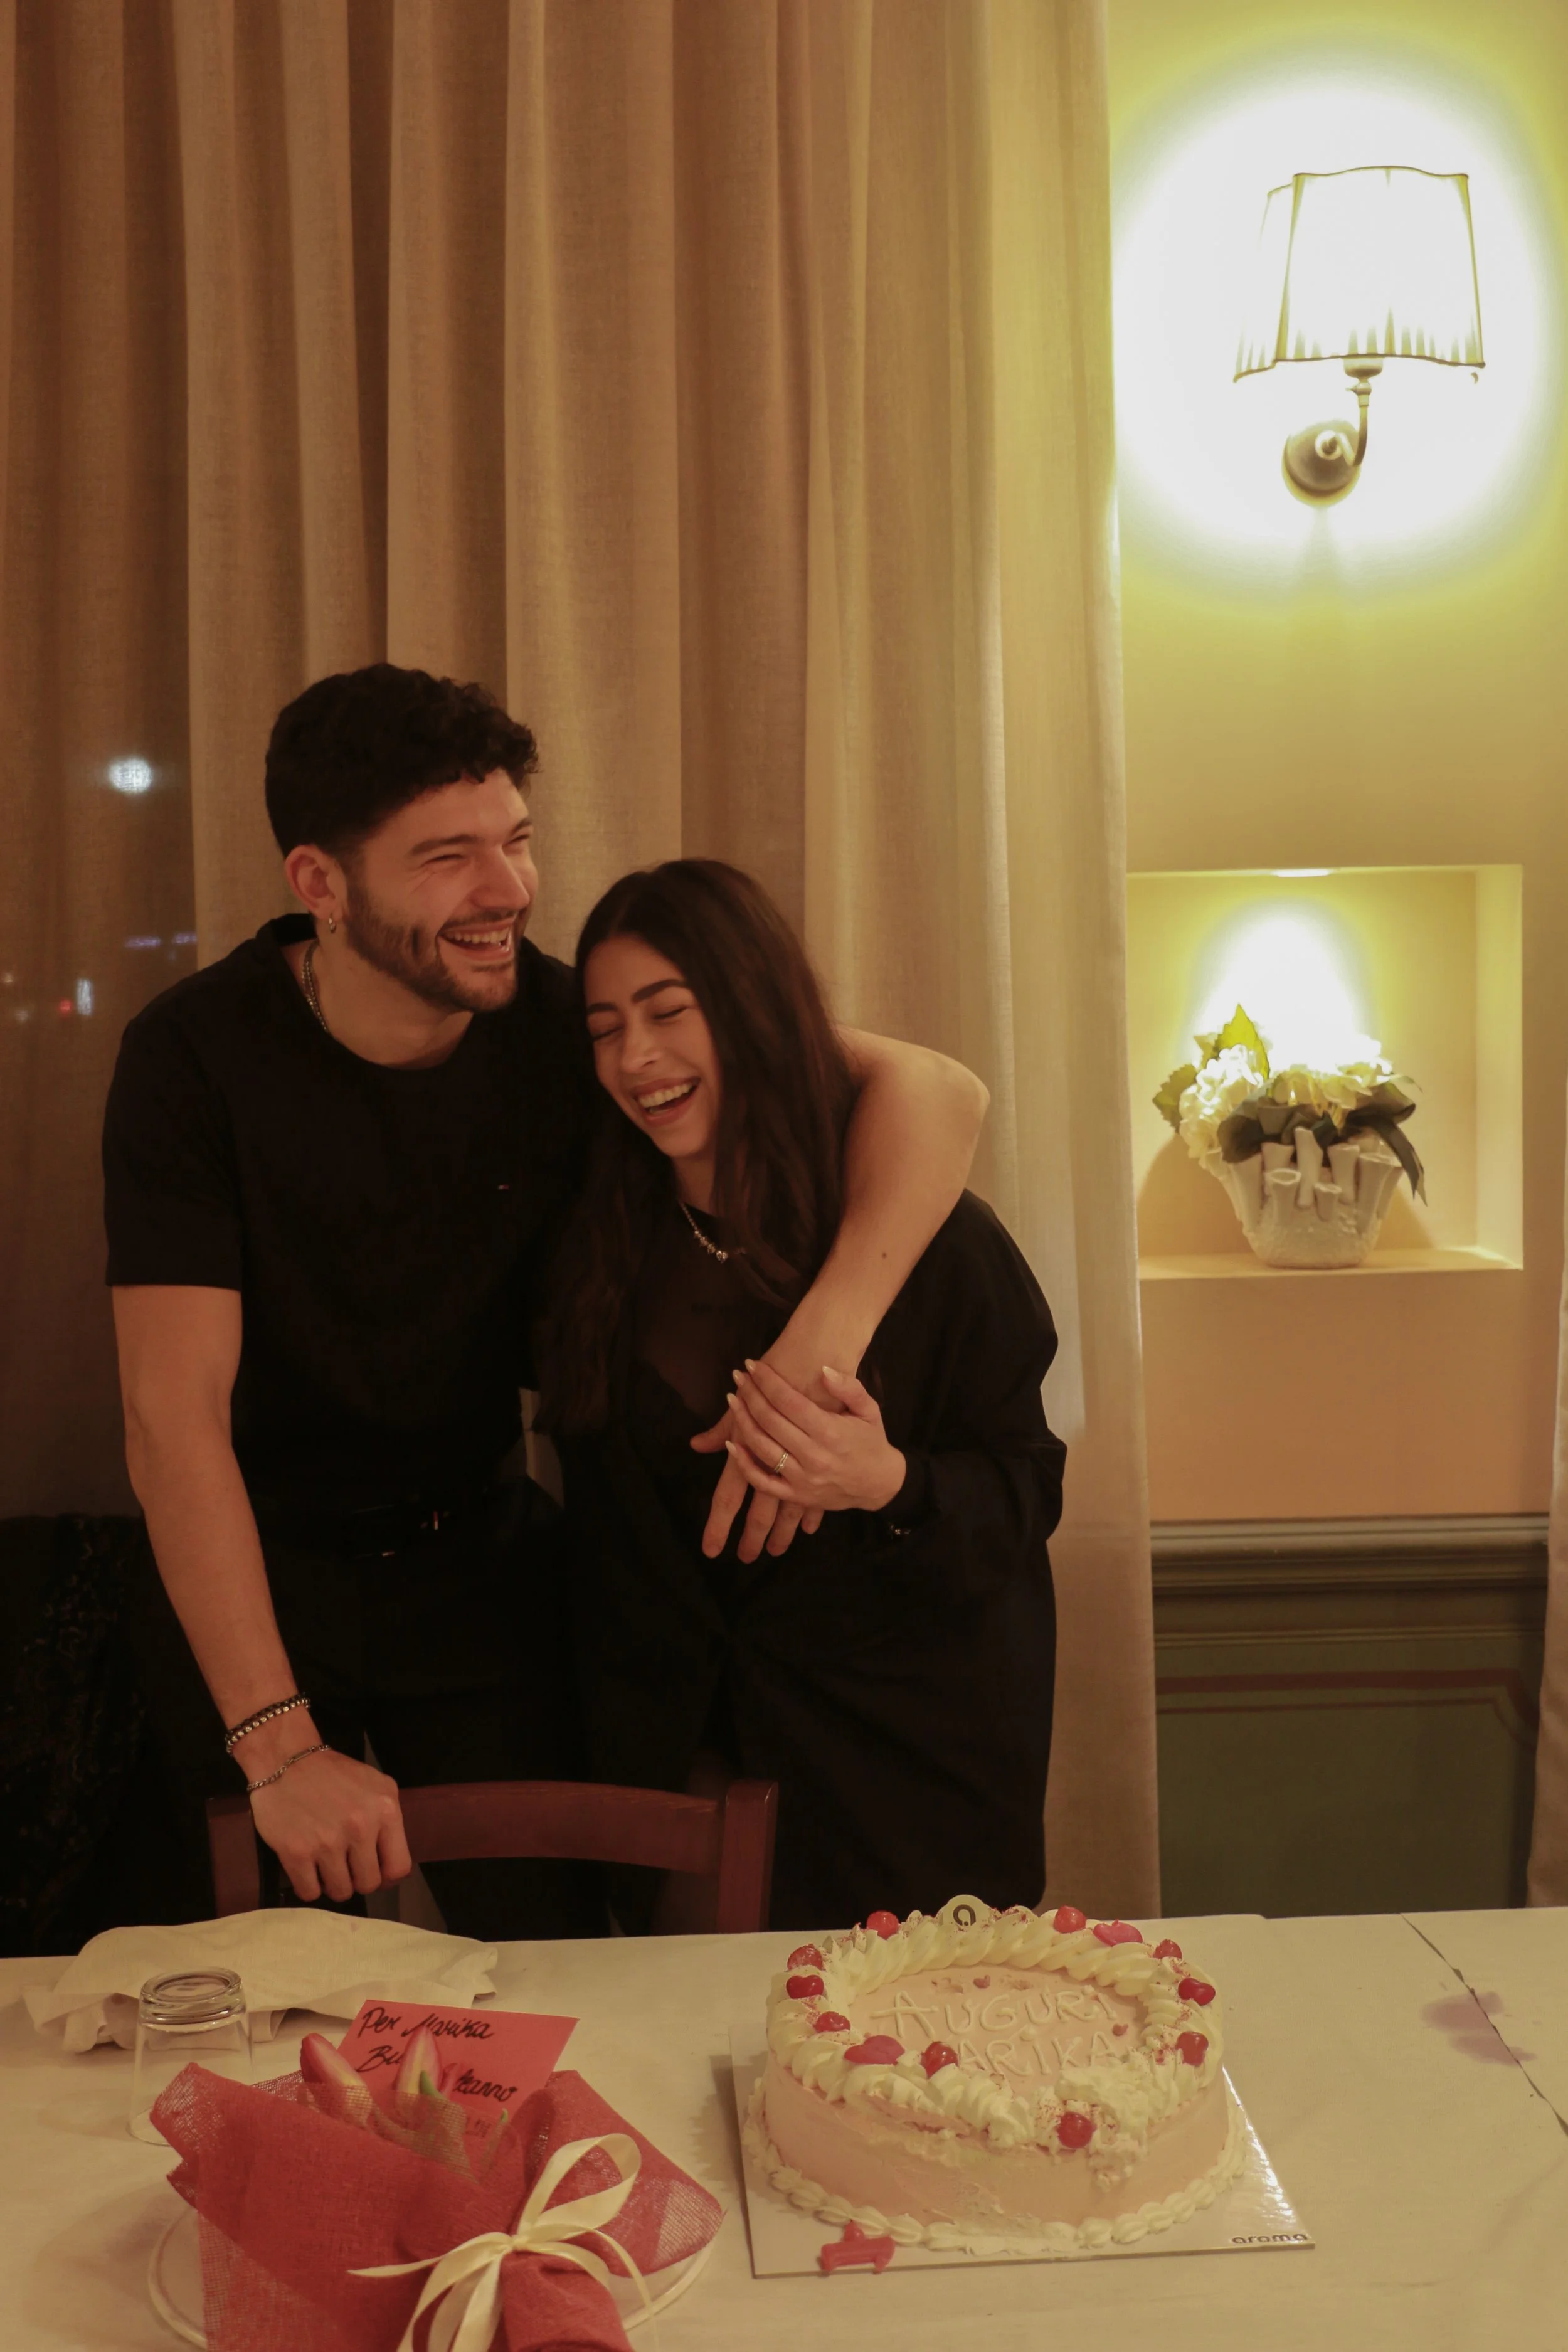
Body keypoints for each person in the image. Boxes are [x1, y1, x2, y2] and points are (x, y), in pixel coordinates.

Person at [103, 664, 989, 1935]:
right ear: (319, 884)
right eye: (448, 858)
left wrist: (815, 1347)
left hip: (479, 1562)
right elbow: (168, 1420)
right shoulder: (191, 1056)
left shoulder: (573, 1025)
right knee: (226, 1995)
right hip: (251, 1564)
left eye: (516, 843)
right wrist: (279, 1743)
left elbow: (938, 1091)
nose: (509, 891)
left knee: (556, 1961)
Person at [539, 859, 1065, 1930]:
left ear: (750, 1011)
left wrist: (890, 1482)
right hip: (676, 1766)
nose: (637, 1058)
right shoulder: (597, 1245)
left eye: (670, 1011)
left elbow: (1024, 1493)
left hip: (901, 1772)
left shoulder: (934, 1242)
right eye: (603, 1028)